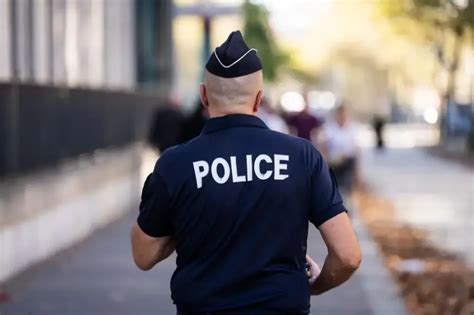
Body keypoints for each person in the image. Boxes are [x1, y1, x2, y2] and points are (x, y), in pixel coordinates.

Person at [131, 31, 361, 315]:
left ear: (203, 96)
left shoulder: (175, 164)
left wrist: (186, 218)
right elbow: (348, 256)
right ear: (258, 99)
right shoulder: (303, 156)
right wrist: (316, 284)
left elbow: (143, 254)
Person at [319, 104, 359, 192]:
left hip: (348, 162)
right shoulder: (329, 128)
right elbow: (323, 145)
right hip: (333, 163)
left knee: (347, 188)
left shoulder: (352, 128)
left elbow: (356, 150)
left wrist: (357, 170)